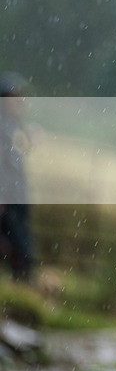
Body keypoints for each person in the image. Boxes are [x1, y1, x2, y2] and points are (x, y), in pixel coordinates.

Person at [0, 72, 34, 283]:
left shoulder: (13, 126)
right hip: (7, 201)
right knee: (21, 251)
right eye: (14, 97)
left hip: (17, 199)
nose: (20, 102)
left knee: (21, 251)